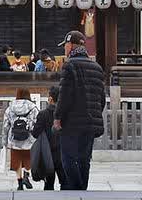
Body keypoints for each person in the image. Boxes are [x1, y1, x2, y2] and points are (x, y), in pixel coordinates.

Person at [53, 30, 105, 191]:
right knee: (84, 160)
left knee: (67, 158)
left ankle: (76, 190)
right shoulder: (97, 67)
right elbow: (101, 99)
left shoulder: (70, 65)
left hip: (72, 122)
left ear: (71, 45)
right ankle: (83, 191)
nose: (64, 49)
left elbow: (65, 94)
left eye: (65, 46)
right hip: (90, 123)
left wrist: (58, 117)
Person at [31, 86, 65, 190]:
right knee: (66, 182)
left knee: (49, 184)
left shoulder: (43, 114)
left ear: (50, 99)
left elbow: (35, 133)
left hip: (47, 153)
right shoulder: (65, 114)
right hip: (63, 153)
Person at [4, 88, 39, 190]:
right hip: (28, 139)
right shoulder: (33, 107)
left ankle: (19, 183)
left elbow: (6, 125)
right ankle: (26, 175)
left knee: (17, 161)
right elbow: (36, 122)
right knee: (28, 159)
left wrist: (4, 140)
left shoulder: (10, 107)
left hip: (14, 139)